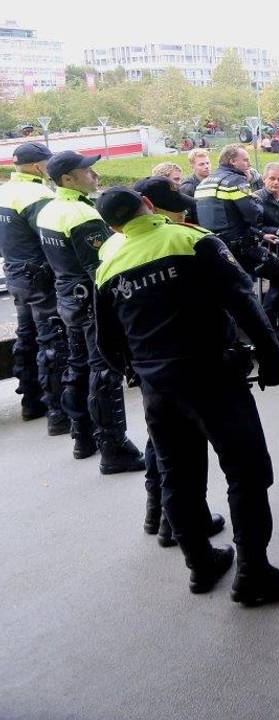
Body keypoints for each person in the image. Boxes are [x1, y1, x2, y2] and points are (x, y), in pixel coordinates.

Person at [94, 186, 279, 602]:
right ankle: (254, 574)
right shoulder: (191, 240)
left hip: (158, 388)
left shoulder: (108, 265)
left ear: (113, 226)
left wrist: (141, 372)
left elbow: (106, 343)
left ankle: (200, 564)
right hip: (212, 377)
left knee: (178, 475)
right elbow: (244, 302)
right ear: (149, 206)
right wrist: (272, 358)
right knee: (246, 472)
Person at [125, 177, 223, 548]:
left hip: (149, 362)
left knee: (162, 448)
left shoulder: (119, 248)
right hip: (187, 360)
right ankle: (176, 523)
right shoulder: (181, 241)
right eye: (175, 204)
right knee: (185, 455)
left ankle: (161, 516)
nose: (183, 210)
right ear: (150, 206)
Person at [35, 151, 146, 473]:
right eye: (87, 170)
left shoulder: (49, 210)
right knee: (104, 371)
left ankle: (82, 436)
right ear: (68, 178)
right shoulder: (82, 216)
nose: (95, 174)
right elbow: (100, 268)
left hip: (67, 299)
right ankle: (113, 446)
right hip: (90, 303)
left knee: (78, 365)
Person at [0, 143, 68, 434]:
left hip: (16, 272)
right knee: (51, 338)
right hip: (40, 275)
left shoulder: (4, 191)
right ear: (39, 166)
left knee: (26, 335)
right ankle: (58, 412)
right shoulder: (38, 194)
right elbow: (50, 238)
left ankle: (31, 400)